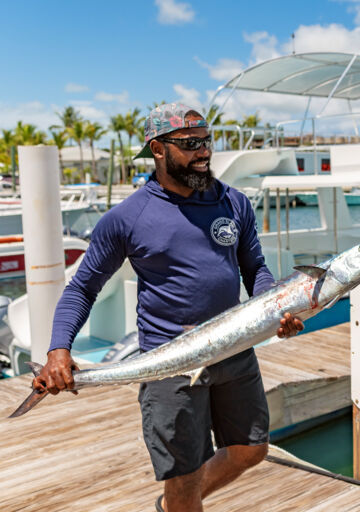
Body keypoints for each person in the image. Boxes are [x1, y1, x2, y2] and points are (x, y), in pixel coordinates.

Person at [32, 103, 304, 512]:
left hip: (235, 351)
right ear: (158, 150)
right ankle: (181, 499)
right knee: (184, 477)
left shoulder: (235, 203)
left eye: (207, 141)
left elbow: (255, 269)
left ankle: (175, 503)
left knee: (251, 449)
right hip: (170, 365)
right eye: (190, 143)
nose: (203, 152)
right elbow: (83, 287)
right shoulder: (127, 217)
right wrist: (58, 349)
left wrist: (274, 309)